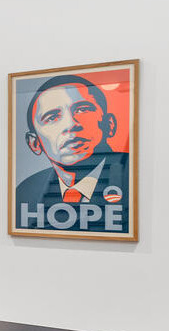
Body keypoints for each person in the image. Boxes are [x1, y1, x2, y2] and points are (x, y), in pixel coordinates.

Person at [14, 74, 130, 234]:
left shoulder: (132, 180)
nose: (71, 124)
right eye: (52, 117)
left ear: (109, 125)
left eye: (83, 109)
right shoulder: (26, 191)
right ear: (34, 143)